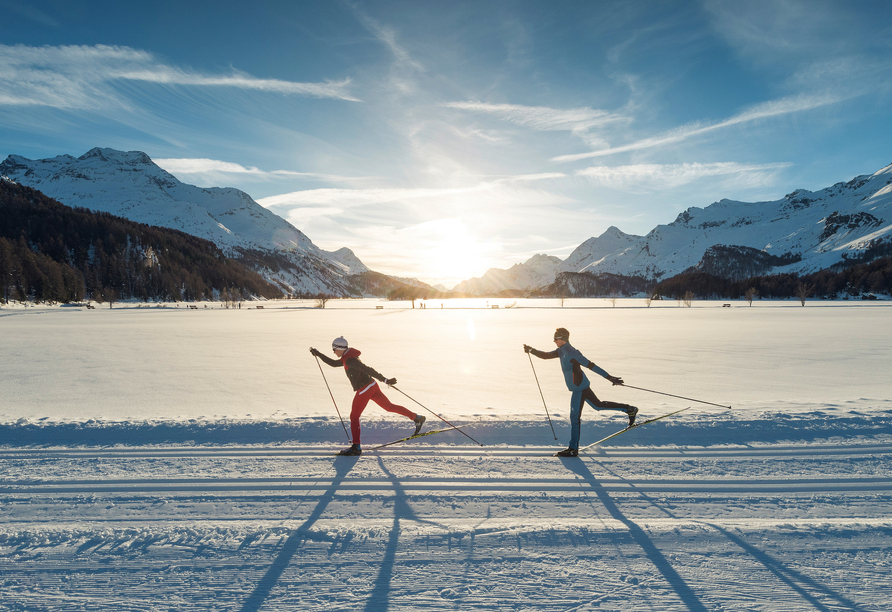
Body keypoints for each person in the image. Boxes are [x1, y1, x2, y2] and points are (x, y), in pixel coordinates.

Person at [524, 327, 638, 457]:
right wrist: (531, 350)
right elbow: (545, 355)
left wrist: (609, 377)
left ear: (563, 339)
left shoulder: (572, 352)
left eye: (556, 338)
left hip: (579, 389)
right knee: (598, 405)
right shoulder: (561, 351)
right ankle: (629, 409)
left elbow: (591, 365)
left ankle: (573, 449)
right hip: (581, 386)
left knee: (574, 418)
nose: (554, 340)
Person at [311, 337, 425, 456]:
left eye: (334, 349)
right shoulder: (346, 356)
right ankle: (417, 418)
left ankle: (356, 447)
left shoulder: (349, 359)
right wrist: (318, 354)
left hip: (364, 389)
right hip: (372, 385)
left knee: (354, 417)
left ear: (339, 348)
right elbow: (333, 364)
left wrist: (385, 380)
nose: (333, 352)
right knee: (389, 407)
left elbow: (367, 369)